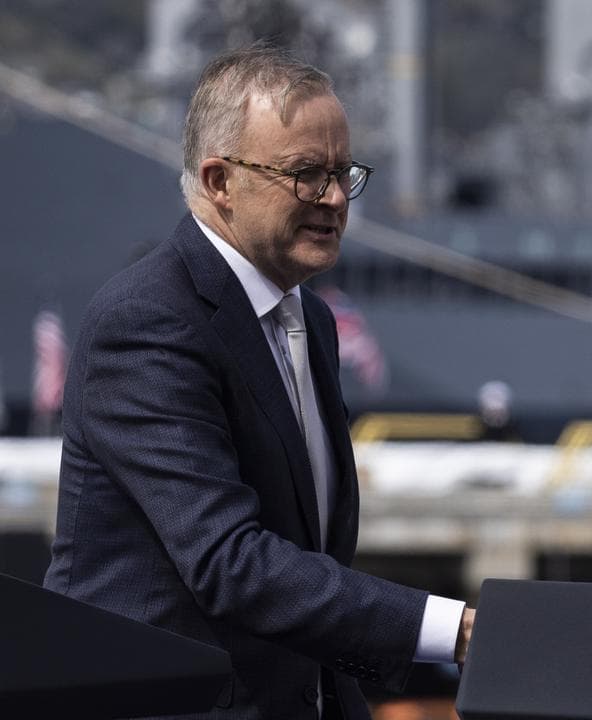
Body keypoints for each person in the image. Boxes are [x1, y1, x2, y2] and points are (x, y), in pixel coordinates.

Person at [44, 44, 474, 719]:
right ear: (219, 181)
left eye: (342, 173)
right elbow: (229, 562)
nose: (334, 198)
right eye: (305, 173)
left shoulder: (313, 322)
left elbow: (308, 554)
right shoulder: (150, 320)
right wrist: (454, 630)